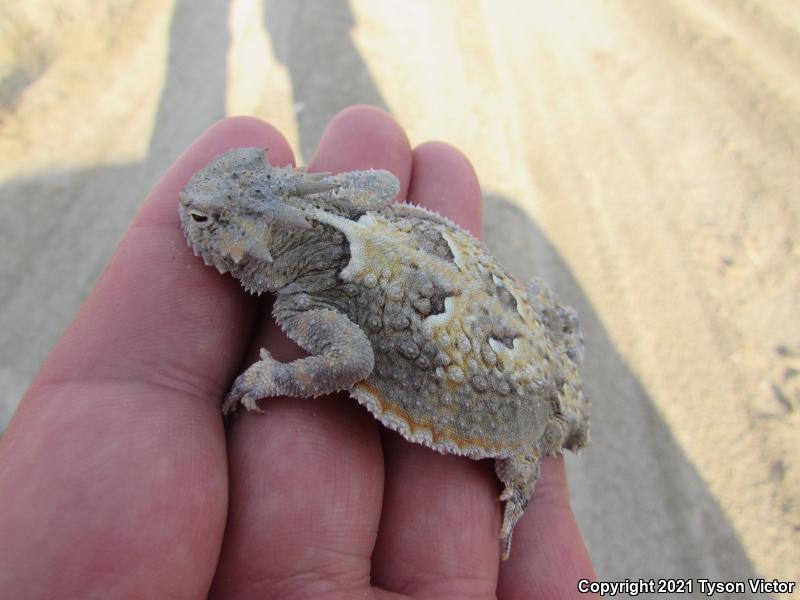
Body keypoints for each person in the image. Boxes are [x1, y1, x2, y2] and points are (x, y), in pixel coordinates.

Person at [0, 106, 597, 598]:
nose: (192, 216)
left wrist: (275, 379)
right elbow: (383, 187)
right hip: (490, 310)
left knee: (522, 444)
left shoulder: (301, 302)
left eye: (206, 219)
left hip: (503, 377)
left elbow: (353, 361)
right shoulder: (333, 210)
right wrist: (320, 187)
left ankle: (524, 451)